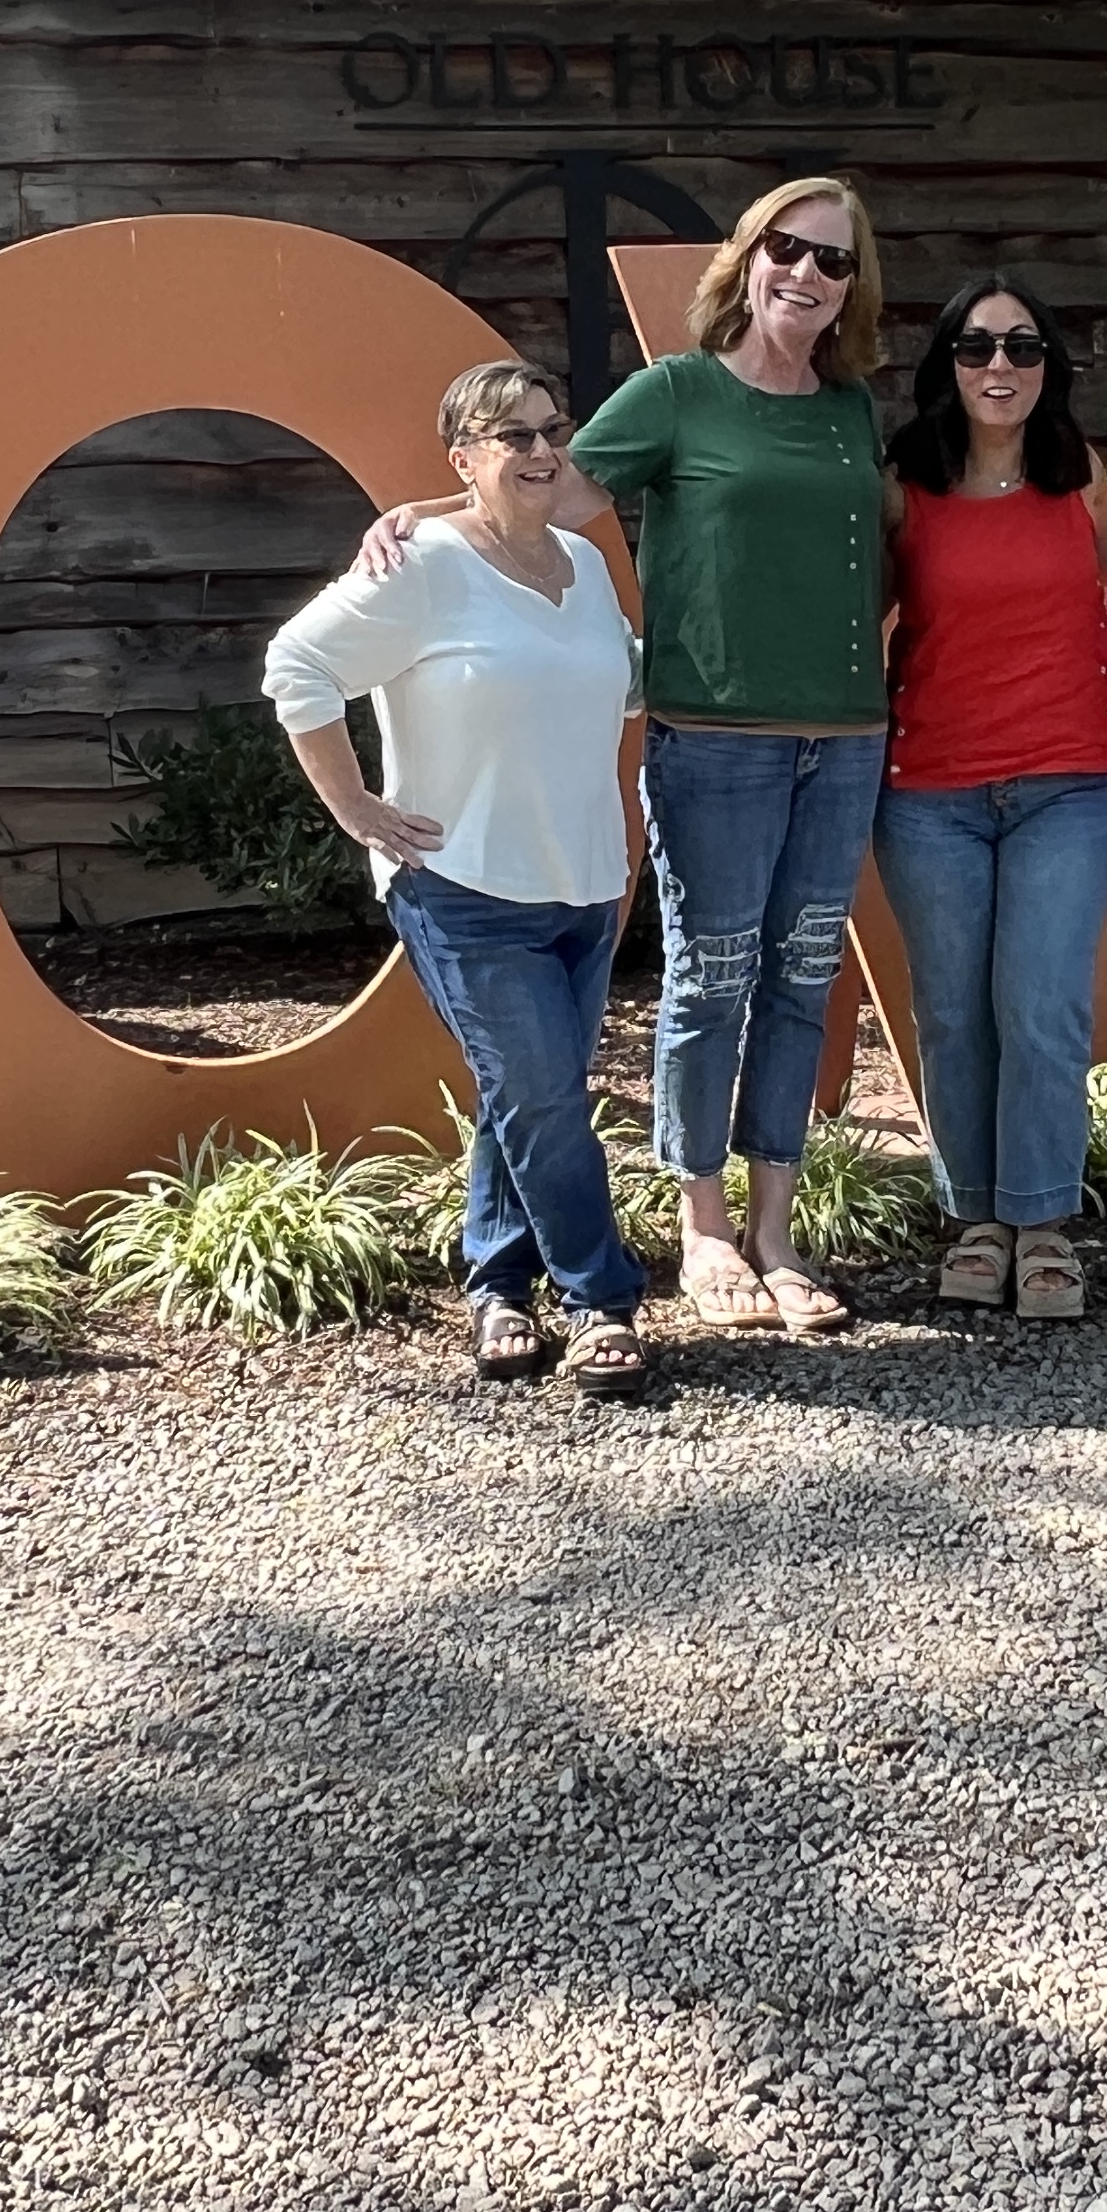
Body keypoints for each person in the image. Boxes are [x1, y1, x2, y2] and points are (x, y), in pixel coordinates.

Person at [358, 176, 890, 1333]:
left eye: (834, 260)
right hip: (717, 744)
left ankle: (776, 1233)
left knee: (801, 983)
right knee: (713, 978)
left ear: (853, 287)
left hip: (846, 740)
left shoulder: (851, 411)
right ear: (748, 259)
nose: (806, 274)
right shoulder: (678, 394)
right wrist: (421, 515)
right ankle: (705, 1232)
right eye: (787, 248)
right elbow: (540, 498)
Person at [268, 361, 652, 1396]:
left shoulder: (583, 563)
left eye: (550, 431)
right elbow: (297, 666)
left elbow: (622, 686)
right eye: (511, 436)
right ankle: (601, 1299)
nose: (540, 451)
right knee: (544, 1096)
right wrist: (356, 809)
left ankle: (498, 1287)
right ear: (464, 459)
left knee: (523, 1095)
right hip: (464, 886)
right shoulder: (422, 566)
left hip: (583, 883)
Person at [875, 274, 1107, 1321]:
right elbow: (854, 613)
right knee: (951, 1013)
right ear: (948, 363)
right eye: (978, 346)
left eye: (1023, 347)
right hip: (930, 792)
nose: (1000, 365)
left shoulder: (1080, 474)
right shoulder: (905, 484)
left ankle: (1043, 1222)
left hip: (1066, 785)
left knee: (1041, 1004)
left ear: (1047, 368)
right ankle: (977, 1219)